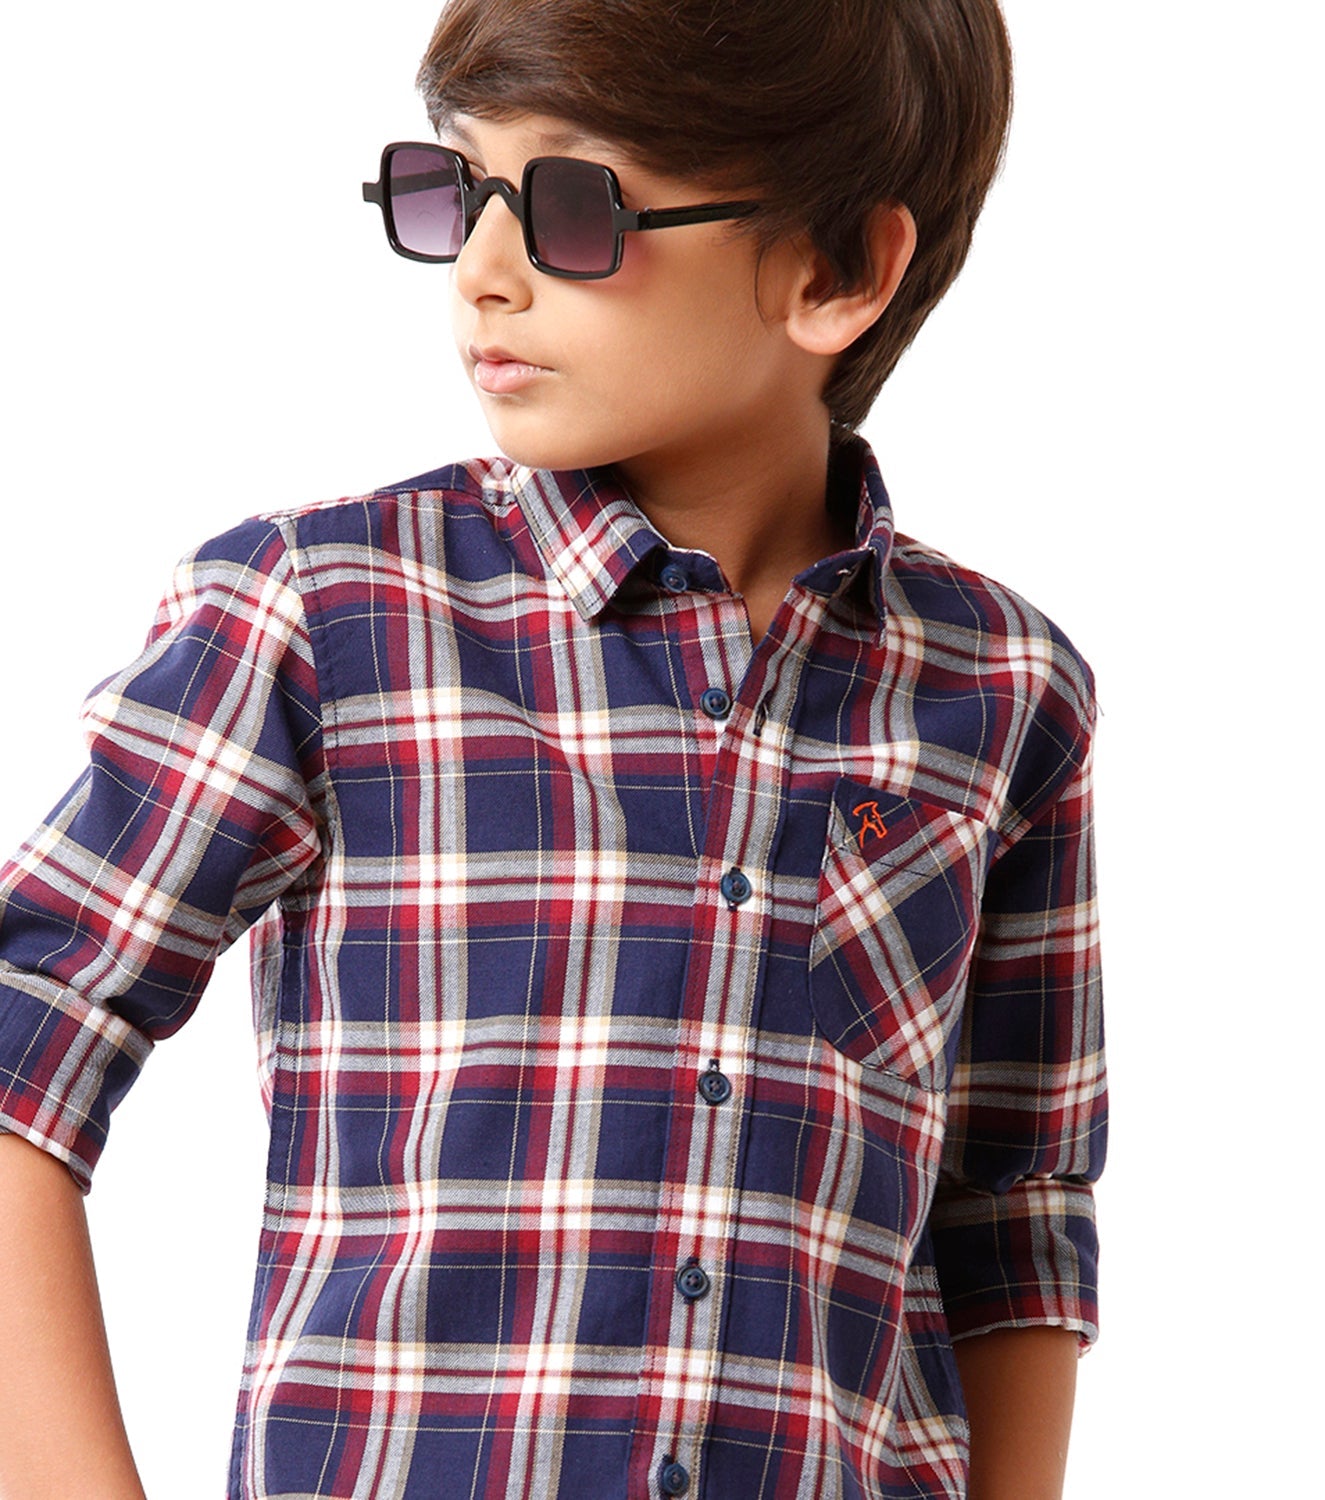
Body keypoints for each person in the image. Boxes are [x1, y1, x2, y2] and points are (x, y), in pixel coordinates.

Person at [0, 1, 1107, 1496]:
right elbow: (24, 1035)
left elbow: (1014, 1206)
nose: (482, 269)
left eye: (575, 205)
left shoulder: (1005, 690)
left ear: (837, 270)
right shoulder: (326, 613)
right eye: (456, 187)